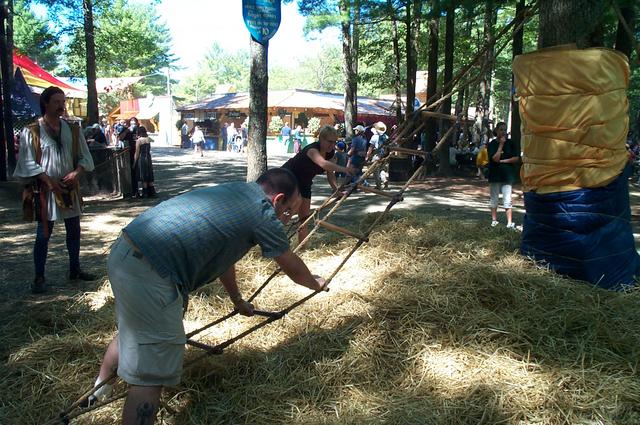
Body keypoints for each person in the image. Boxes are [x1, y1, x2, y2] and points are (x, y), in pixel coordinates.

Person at [88, 168, 327, 425]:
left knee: (136, 331)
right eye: (288, 211)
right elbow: (291, 266)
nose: (286, 219)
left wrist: (237, 299)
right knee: (151, 374)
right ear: (278, 199)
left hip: (126, 253)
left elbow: (224, 257)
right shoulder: (263, 212)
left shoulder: (239, 192)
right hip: (151, 270)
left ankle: (98, 392)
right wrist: (316, 283)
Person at [13, 86, 96, 294]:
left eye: (63, 101)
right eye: (57, 102)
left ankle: (75, 269)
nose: (61, 106)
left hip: (69, 187)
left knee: (74, 230)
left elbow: (85, 157)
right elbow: (27, 162)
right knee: (43, 234)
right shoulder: (31, 131)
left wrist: (76, 173)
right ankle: (39, 277)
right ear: (46, 103)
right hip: (45, 191)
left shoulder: (73, 129)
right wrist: (48, 180)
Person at [282, 125, 354, 244]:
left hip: (305, 183)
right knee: (295, 204)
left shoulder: (330, 153)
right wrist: (345, 169)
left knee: (304, 219)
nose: (332, 145)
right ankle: (276, 235)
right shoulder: (312, 150)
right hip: (288, 178)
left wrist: (336, 190)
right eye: (329, 141)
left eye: (334, 142)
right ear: (321, 139)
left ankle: (302, 248)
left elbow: (330, 173)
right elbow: (323, 164)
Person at [487, 121, 520, 228]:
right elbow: (495, 158)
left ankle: (509, 223)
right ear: (496, 131)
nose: (503, 132)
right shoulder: (492, 144)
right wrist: (501, 145)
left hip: (507, 176)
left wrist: (503, 161)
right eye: (501, 129)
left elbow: (516, 158)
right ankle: (494, 220)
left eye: (505, 130)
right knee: (494, 198)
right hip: (495, 175)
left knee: (507, 199)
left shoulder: (511, 143)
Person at [132, 126, 157, 198]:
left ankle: (145, 193)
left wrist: (134, 163)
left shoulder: (139, 141)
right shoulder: (148, 139)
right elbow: (152, 141)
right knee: (149, 174)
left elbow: (137, 153)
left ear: (139, 133)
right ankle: (152, 192)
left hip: (142, 158)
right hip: (148, 158)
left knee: (143, 175)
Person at [119, 117, 140, 197]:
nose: (133, 123)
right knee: (131, 172)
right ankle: (132, 191)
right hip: (129, 154)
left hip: (139, 153)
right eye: (131, 121)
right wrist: (127, 130)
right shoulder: (126, 129)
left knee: (139, 173)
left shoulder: (139, 129)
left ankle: (140, 190)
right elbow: (120, 138)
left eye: (134, 122)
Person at [367, 121, 389, 189]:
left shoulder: (374, 137)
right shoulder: (386, 136)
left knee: (375, 171)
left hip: (377, 155)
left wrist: (368, 156)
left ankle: (378, 185)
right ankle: (384, 180)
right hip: (384, 155)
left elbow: (371, 147)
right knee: (382, 169)